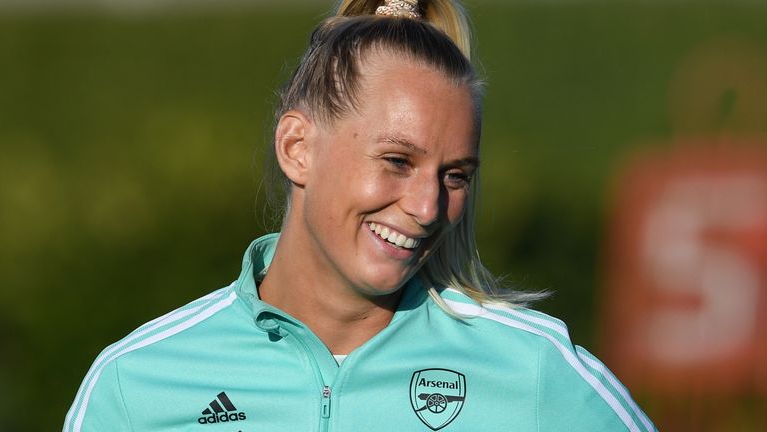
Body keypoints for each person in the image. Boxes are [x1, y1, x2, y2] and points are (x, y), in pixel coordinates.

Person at [64, 0, 656, 431]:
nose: (428, 208)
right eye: (397, 161)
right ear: (298, 148)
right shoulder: (136, 384)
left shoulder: (532, 370)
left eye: (455, 176)